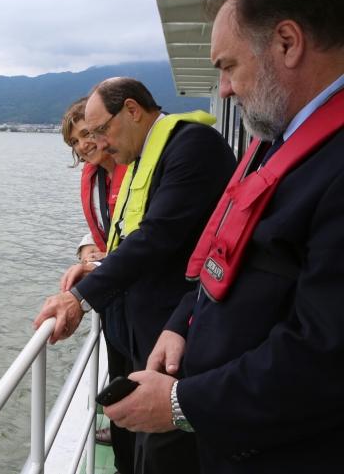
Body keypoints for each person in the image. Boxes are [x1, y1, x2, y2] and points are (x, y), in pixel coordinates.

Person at [104, 0, 344, 472]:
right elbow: (230, 260)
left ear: (287, 42)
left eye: (229, 66)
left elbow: (326, 354)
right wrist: (182, 324)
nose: (224, 89)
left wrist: (178, 405)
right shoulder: (276, 143)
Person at [34, 77, 236, 474]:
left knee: (165, 455)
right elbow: (128, 238)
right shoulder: (145, 157)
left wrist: (79, 297)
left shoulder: (192, 147)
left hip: (178, 335)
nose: (100, 144)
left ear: (131, 110)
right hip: (145, 332)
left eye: (101, 131)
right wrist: (94, 266)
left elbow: (157, 236)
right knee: (139, 449)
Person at [61, 97, 135, 473]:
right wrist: (87, 252)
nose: (85, 144)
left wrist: (85, 286)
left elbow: (138, 238)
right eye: (76, 141)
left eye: (88, 133)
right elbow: (104, 233)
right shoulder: (97, 177)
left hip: (137, 293)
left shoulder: (135, 170)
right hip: (113, 293)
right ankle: (123, 435)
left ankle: (132, 444)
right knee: (119, 370)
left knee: (135, 372)